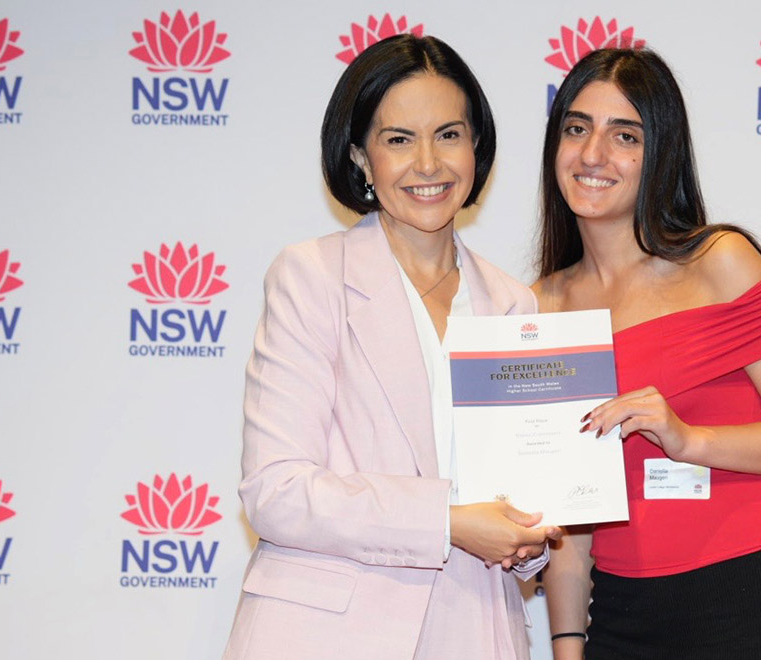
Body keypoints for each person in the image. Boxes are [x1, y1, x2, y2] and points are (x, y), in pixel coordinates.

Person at [222, 35, 559, 660]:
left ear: (477, 146)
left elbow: (517, 505)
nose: (428, 164)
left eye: (449, 135)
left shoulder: (514, 303)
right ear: (359, 157)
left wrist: (527, 536)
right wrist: (449, 522)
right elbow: (275, 491)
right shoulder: (312, 276)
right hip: (329, 635)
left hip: (475, 628)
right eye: (398, 139)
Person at [536, 48, 761, 660]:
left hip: (747, 593)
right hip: (620, 611)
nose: (593, 154)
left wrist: (688, 439)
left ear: (661, 153)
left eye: (624, 134)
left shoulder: (719, 263)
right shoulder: (539, 306)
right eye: (577, 128)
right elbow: (568, 521)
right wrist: (569, 646)